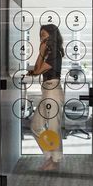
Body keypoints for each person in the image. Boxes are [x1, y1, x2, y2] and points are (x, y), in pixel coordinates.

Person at [28, 24, 65, 171]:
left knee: (53, 129)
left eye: (43, 35)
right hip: (46, 91)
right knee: (36, 126)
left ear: (51, 36)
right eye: (40, 36)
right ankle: (51, 156)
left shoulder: (55, 52)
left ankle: (54, 162)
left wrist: (41, 52)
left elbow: (37, 71)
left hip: (53, 92)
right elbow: (36, 69)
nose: (41, 38)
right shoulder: (49, 52)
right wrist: (41, 52)